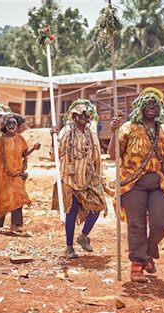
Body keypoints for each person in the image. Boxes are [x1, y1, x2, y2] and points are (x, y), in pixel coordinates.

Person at [109, 87, 164, 283]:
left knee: (162, 222)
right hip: (132, 184)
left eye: (155, 105)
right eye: (148, 104)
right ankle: (137, 266)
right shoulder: (128, 128)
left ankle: (147, 252)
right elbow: (113, 155)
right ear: (141, 107)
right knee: (136, 224)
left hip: (159, 184)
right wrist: (113, 132)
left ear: (160, 109)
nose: (151, 108)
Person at [50, 99, 106, 260]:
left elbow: (97, 158)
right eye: (79, 114)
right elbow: (55, 154)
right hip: (69, 179)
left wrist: (100, 177)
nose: (83, 116)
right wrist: (52, 138)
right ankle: (69, 247)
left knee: (97, 207)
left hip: (89, 179)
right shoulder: (66, 132)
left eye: (86, 114)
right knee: (71, 213)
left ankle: (83, 236)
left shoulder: (92, 134)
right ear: (73, 116)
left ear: (90, 116)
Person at [0, 113, 40, 232]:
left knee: (18, 198)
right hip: (2, 175)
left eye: (14, 123)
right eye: (9, 123)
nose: (12, 126)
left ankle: (16, 225)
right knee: (2, 199)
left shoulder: (20, 138)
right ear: (5, 125)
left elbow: (24, 154)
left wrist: (34, 148)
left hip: (17, 174)